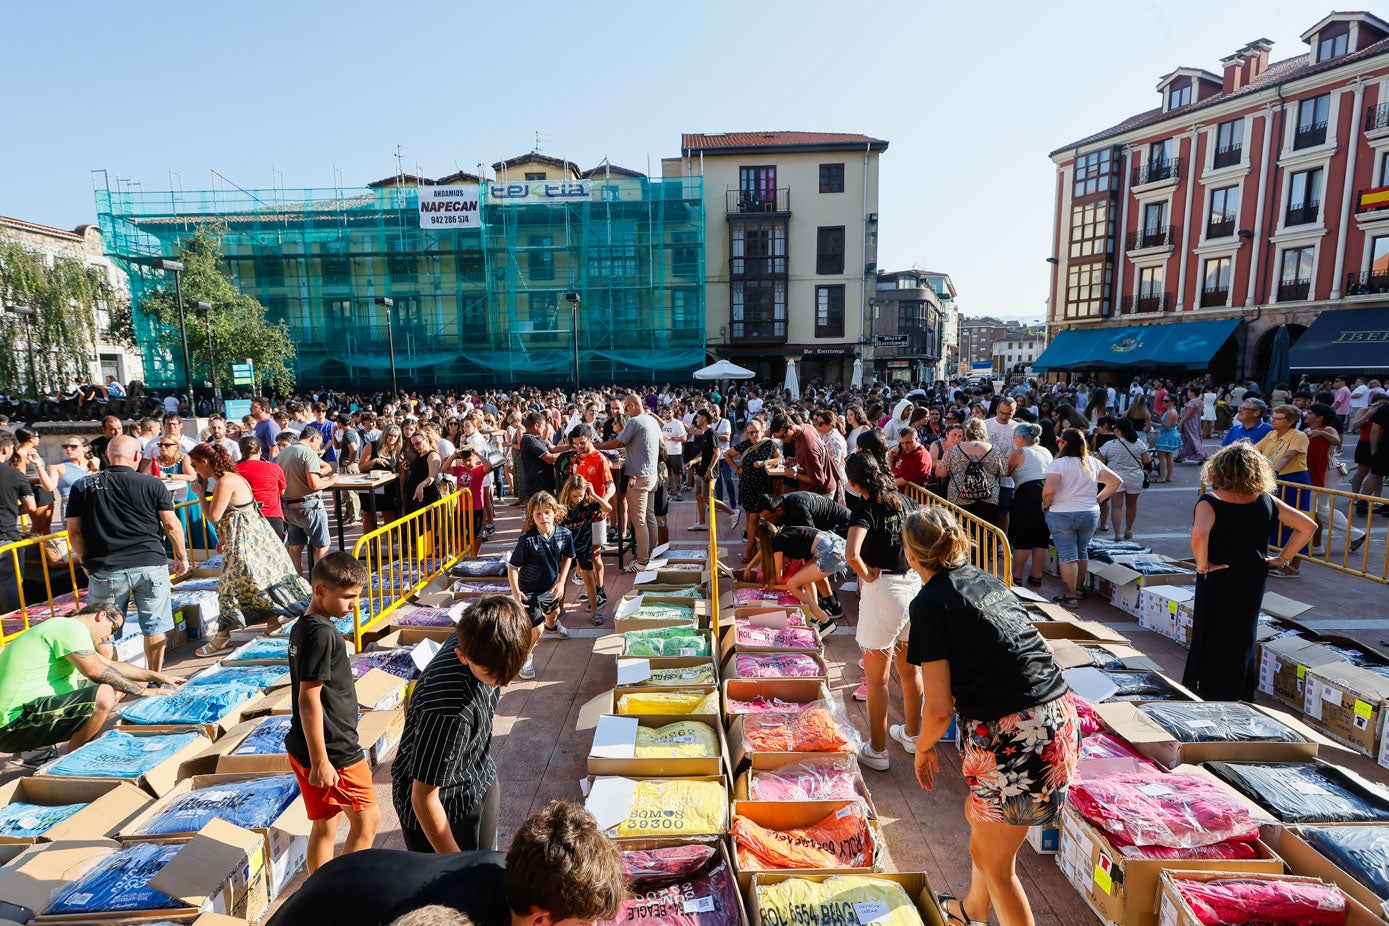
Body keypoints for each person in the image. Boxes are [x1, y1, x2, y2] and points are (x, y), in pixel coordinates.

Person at [902, 507, 1079, 926]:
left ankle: (979, 909)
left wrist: (922, 748)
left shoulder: (929, 603)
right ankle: (971, 910)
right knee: (984, 832)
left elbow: (939, 707)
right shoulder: (984, 578)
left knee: (997, 863)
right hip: (1056, 718)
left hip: (1016, 736)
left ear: (911, 555)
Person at [263, 800, 625, 926]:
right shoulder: (457, 916)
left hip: (346, 881)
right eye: (582, 923)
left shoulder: (522, 873)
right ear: (541, 918)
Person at [391, 596, 533, 853]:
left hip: (477, 775)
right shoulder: (450, 710)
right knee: (458, 885)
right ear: (462, 656)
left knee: (486, 864)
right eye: (495, 676)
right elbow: (423, 798)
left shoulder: (484, 640)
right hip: (440, 807)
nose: (506, 683)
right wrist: (456, 865)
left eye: (513, 669)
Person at [1183, 443, 1317, 700]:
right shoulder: (1267, 499)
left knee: (1211, 628)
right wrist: (1283, 558)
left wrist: (1202, 565)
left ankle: (1208, 686)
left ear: (1218, 469)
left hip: (1219, 573)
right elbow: (1307, 526)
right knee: (1244, 630)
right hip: (1253, 573)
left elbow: (1200, 533)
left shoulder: (1211, 500)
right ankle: (1241, 691)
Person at [285, 552, 380, 873]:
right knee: (367, 821)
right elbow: (308, 698)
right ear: (320, 591)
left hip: (306, 745)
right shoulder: (322, 633)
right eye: (348, 597)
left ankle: (318, 895)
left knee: (326, 824)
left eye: (357, 596)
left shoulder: (304, 626)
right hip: (335, 750)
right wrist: (322, 760)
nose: (354, 604)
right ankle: (342, 894)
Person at [66, 435, 189, 674]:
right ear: (136, 456)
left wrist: (84, 561)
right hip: (150, 563)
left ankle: (112, 680)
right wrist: (182, 557)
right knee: (154, 626)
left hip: (106, 567)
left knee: (103, 632)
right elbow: (171, 524)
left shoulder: (83, 485)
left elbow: (73, 530)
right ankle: (155, 676)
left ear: (108, 456)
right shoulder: (152, 484)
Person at [0, 604, 182, 764]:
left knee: (119, 684)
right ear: (101, 615)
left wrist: (157, 677)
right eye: (114, 628)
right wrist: (144, 692)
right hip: (12, 723)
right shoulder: (70, 628)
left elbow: (110, 665)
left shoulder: (62, 627)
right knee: (105, 693)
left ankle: (38, 753)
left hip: (22, 714)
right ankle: (73, 763)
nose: (109, 637)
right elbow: (96, 671)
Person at [189, 443, 311, 657]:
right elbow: (239, 510)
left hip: (244, 542)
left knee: (230, 587)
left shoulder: (225, 481)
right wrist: (225, 536)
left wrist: (200, 494)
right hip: (254, 538)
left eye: (195, 465)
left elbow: (214, 516)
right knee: (257, 583)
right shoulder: (233, 477)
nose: (195, 470)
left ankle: (222, 638)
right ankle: (272, 625)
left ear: (205, 462)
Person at [843, 452, 922, 771]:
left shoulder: (864, 509)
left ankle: (877, 750)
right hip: (913, 587)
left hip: (884, 591)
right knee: (910, 672)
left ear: (853, 482)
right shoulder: (906, 502)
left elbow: (851, 554)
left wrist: (866, 574)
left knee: (876, 680)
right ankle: (914, 736)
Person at [1042, 428, 1123, 606]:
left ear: (1063, 443)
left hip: (1062, 512)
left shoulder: (1058, 464)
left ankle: (1070, 595)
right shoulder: (1092, 462)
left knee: (1067, 556)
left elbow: (1049, 490)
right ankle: (1078, 590)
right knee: (1081, 551)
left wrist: (1045, 504)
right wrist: (1099, 499)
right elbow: (1116, 481)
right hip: (1090, 512)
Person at [507, 492, 575, 681]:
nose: (543, 517)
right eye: (538, 514)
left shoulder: (565, 534)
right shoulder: (527, 540)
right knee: (536, 630)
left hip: (551, 587)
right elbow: (512, 567)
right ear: (532, 516)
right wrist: (516, 593)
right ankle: (525, 658)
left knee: (552, 616)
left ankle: (553, 627)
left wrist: (561, 582)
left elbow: (569, 556)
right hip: (528, 591)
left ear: (555, 512)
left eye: (547, 512)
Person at [596, 393, 661, 572]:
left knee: (639, 520)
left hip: (637, 477)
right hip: (651, 475)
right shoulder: (651, 420)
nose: (625, 411)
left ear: (632, 405)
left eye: (625, 407)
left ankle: (642, 561)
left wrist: (595, 447)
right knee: (649, 517)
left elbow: (617, 442)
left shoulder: (634, 422)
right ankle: (651, 554)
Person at [753, 519, 847, 635]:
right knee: (803, 576)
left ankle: (826, 622)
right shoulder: (783, 531)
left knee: (791, 584)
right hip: (836, 546)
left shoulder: (778, 543)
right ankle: (814, 616)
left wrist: (771, 584)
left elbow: (779, 576)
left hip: (831, 554)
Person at [1256, 404, 1313, 578]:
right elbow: (1255, 450)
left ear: (1290, 421)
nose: (1273, 420)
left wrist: (1274, 474)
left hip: (1293, 480)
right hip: (1273, 480)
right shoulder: (1271, 434)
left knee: (1294, 521)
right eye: (1273, 417)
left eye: (1278, 418)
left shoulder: (1298, 436)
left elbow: (1289, 456)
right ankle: (1275, 559)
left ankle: (1293, 566)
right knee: (1273, 520)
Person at [1303, 402, 1366, 555]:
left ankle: (1352, 535)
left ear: (1320, 417)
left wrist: (1322, 434)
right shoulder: (1307, 430)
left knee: (1318, 508)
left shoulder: (1328, 429)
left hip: (1329, 472)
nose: (1306, 414)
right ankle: (1355, 535)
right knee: (1321, 508)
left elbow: (1337, 442)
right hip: (1319, 471)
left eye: (1310, 413)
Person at [556, 475, 611, 626]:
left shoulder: (588, 505)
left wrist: (593, 494)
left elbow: (608, 508)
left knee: (588, 576)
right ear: (568, 493)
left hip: (584, 546)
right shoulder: (562, 508)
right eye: (575, 496)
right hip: (566, 548)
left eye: (581, 495)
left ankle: (595, 610)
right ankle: (560, 608)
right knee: (563, 577)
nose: (578, 499)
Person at [279, 428, 336, 571]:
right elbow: (314, 484)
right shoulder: (308, 452)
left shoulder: (284, 453)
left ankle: (297, 587)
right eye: (319, 444)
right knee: (322, 546)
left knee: (295, 548)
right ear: (313, 439)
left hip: (289, 506)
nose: (319, 448)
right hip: (309, 506)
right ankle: (320, 585)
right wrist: (332, 480)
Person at [725, 417, 781, 562]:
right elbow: (727, 454)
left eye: (756, 432)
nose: (753, 436)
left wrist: (765, 462)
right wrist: (737, 468)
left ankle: (751, 550)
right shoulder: (745, 445)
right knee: (751, 517)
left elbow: (780, 459)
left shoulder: (768, 444)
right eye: (750, 433)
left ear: (762, 431)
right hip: (747, 486)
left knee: (755, 518)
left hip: (762, 486)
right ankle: (751, 549)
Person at [1005, 421, 1052, 588]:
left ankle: (1017, 576)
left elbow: (1005, 471)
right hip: (1047, 493)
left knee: (1023, 537)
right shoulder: (1045, 450)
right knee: (1041, 537)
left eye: (1014, 437)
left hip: (1027, 494)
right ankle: (1036, 575)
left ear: (1020, 438)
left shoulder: (1020, 452)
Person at [939, 418, 1007, 526]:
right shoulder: (995, 450)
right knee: (985, 536)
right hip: (988, 499)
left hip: (959, 499)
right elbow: (1004, 472)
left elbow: (941, 473)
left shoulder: (953, 450)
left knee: (962, 534)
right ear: (984, 434)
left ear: (967, 434)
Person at [0, 433, 37, 613]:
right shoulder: (15, 475)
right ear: (6, 449)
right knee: (10, 585)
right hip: (6, 536)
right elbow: (31, 506)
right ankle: (10, 627)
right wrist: (14, 510)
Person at [1097, 419, 1150, 541]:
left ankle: (1117, 534)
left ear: (1118, 430)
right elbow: (1146, 461)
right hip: (1135, 478)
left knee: (1117, 506)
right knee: (1132, 506)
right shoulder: (1139, 444)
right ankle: (1129, 529)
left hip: (1116, 478)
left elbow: (1100, 463)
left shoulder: (1110, 445)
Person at [360, 423, 406, 526]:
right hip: (370, 487)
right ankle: (369, 542)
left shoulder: (397, 450)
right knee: (368, 515)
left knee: (389, 515)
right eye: (390, 435)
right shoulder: (371, 445)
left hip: (389, 487)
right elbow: (361, 467)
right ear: (384, 434)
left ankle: (389, 542)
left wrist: (401, 493)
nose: (392, 438)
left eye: (395, 436)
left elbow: (401, 473)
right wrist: (374, 461)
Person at [983, 398, 1017, 532]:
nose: (1004, 416)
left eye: (1009, 414)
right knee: (988, 511)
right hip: (986, 477)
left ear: (1014, 412)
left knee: (1004, 510)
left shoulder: (1017, 428)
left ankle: (1002, 544)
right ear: (996, 409)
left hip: (1006, 479)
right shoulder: (986, 425)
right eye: (1002, 412)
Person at [405, 429, 444, 514]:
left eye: (418, 444)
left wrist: (421, 485)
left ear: (426, 440)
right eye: (413, 445)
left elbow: (432, 476)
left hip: (427, 495)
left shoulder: (433, 455)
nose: (415, 447)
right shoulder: (420, 454)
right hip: (415, 495)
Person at [1152, 395, 1180, 483]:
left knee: (1162, 456)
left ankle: (1162, 476)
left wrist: (1159, 418)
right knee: (1168, 456)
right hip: (1170, 435)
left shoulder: (1170, 412)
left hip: (1167, 436)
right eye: (1163, 401)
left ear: (1172, 402)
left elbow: (1167, 426)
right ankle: (1168, 476)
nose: (1164, 402)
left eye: (1166, 401)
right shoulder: (1171, 411)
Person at [1178, 387, 1207, 463]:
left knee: (1192, 439)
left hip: (1189, 423)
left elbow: (1189, 414)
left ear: (1192, 393)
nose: (1187, 394)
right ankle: (1182, 454)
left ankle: (1201, 454)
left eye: (1188, 392)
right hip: (1196, 423)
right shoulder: (1200, 401)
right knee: (1191, 439)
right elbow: (1202, 413)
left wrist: (1181, 422)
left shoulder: (1192, 403)